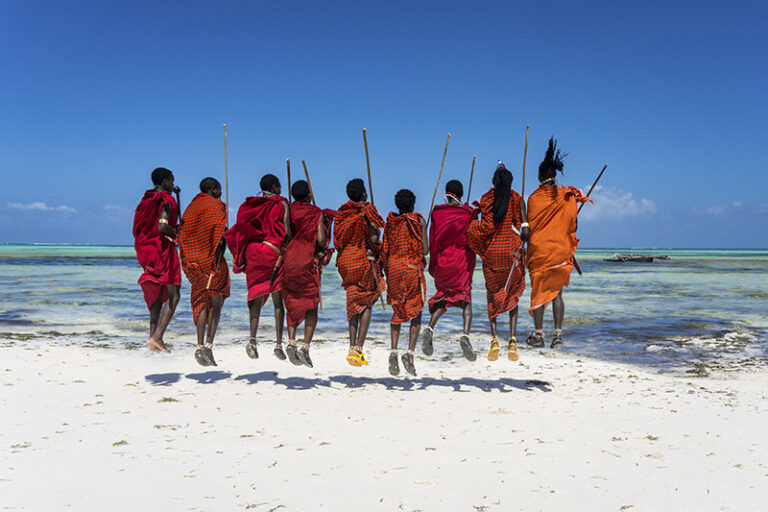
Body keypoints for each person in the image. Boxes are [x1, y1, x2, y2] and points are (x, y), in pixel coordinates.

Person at [526, 138, 591, 349]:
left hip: (540, 251)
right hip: (561, 250)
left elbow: (531, 227)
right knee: (557, 294)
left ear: (540, 176)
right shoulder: (568, 197)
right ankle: (557, 335)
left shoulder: (534, 198)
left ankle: (538, 336)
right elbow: (574, 225)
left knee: (538, 291)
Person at [467, 163, 530, 362]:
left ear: (493, 181)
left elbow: (485, 228)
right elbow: (526, 232)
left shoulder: (487, 199)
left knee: (492, 294)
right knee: (512, 295)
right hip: (511, 254)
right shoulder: (517, 198)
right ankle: (512, 340)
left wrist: (472, 225)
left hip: (492, 254)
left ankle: (494, 339)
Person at [225, 173, 291, 360]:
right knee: (278, 301)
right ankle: (278, 344)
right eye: (279, 186)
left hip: (253, 253)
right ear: (275, 186)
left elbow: (242, 226)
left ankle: (252, 340)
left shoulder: (250, 205)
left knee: (255, 296)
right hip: (271, 251)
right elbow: (286, 232)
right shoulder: (280, 203)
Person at [281, 180, 335, 368]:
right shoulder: (316, 212)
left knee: (292, 301)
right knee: (311, 304)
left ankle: (290, 341)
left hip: (289, 259)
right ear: (309, 195)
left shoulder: (289, 208)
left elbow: (286, 233)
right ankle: (305, 347)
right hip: (307, 259)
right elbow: (321, 239)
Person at [178, 177, 230, 366]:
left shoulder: (191, 207)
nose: (221, 192)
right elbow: (219, 238)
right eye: (219, 189)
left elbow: (183, 234)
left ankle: (199, 345)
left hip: (191, 262)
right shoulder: (217, 206)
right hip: (211, 261)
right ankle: (208, 345)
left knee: (200, 300)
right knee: (216, 303)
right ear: (213, 189)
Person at [422, 179, 477, 361]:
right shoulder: (467, 214)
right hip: (460, 261)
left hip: (443, 263)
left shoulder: (437, 213)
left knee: (443, 296)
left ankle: (430, 328)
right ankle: (465, 335)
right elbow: (474, 237)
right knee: (465, 298)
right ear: (460, 194)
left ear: (447, 194)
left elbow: (433, 241)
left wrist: (435, 265)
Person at [334, 178, 386, 367]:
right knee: (366, 303)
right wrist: (375, 238)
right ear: (364, 193)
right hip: (362, 260)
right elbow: (373, 238)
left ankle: (351, 347)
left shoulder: (341, 213)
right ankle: (358, 348)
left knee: (353, 302)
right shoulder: (367, 211)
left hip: (345, 263)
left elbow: (338, 241)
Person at [133, 167, 182, 354]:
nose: (173, 184)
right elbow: (162, 225)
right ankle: (158, 337)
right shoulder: (165, 200)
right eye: (171, 180)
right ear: (165, 181)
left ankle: (152, 336)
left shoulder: (148, 198)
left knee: (156, 292)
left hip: (148, 249)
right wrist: (176, 231)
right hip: (163, 249)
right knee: (174, 295)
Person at [381, 189, 428, 376]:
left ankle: (393, 351)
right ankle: (409, 353)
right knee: (416, 311)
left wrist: (386, 270)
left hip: (393, 270)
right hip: (410, 270)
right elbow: (425, 250)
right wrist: (424, 229)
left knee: (397, 311)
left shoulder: (390, 223)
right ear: (412, 205)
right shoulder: (417, 222)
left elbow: (385, 249)